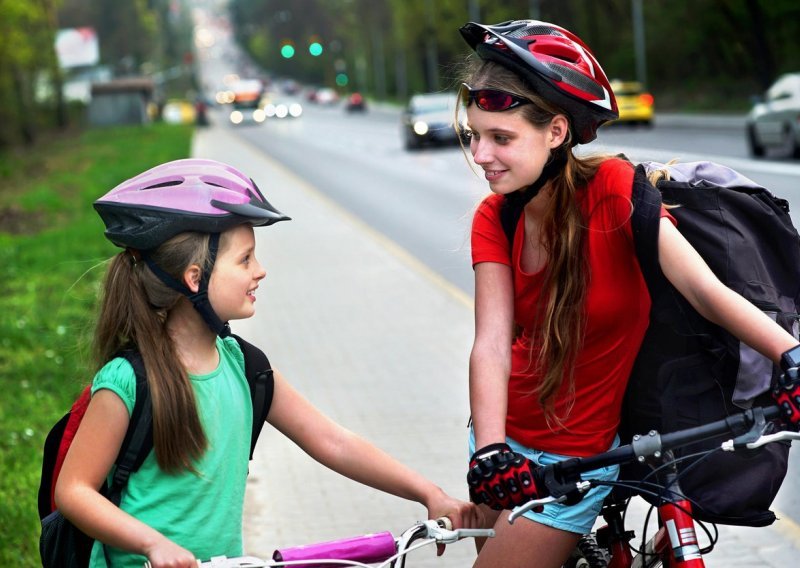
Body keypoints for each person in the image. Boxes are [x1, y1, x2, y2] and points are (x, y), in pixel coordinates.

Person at [455, 19, 800, 568]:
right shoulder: (494, 218)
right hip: (501, 439)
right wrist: (492, 449)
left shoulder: (617, 194)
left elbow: (705, 292)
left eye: (502, 138)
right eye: (474, 135)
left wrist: (791, 356)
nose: (481, 154)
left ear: (556, 132)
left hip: (580, 453)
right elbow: (492, 344)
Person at [54, 158, 479, 567]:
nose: (261, 271)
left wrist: (428, 492)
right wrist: (152, 545)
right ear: (195, 277)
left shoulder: (246, 367)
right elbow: (73, 490)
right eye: (245, 259)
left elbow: (333, 442)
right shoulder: (129, 380)